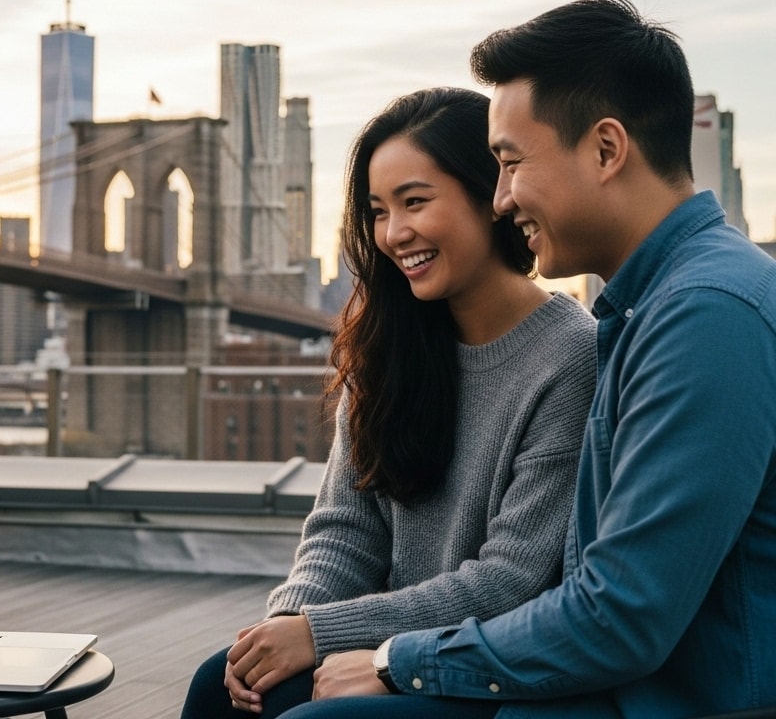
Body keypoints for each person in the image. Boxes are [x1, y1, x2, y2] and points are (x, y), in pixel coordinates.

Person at [301, 0, 776, 718]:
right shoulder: (650, 307)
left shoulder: (706, 316)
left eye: (510, 163)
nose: (500, 199)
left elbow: (619, 618)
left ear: (607, 150)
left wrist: (398, 661)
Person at [180, 87, 597, 719]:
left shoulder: (570, 357)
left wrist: (321, 633)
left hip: (479, 671)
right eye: (378, 211)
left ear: (490, 195)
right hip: (379, 647)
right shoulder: (389, 346)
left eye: (415, 202)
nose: (394, 233)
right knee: (221, 686)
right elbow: (345, 531)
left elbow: (511, 581)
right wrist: (289, 621)